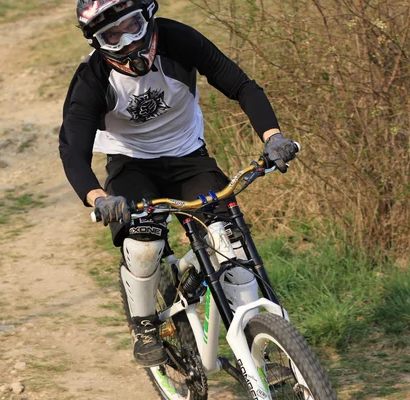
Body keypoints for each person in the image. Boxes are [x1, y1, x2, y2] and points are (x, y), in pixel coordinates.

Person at [58, 0, 298, 368]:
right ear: (97, 43)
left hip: (190, 158)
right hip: (131, 164)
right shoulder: (91, 79)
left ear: (149, 18)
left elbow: (241, 85)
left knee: (229, 245)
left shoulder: (178, 39)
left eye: (133, 26)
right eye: (111, 35)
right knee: (144, 245)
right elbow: (72, 151)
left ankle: (259, 340)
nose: (127, 43)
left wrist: (274, 137)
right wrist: (98, 197)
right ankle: (145, 326)